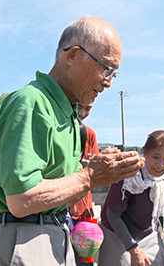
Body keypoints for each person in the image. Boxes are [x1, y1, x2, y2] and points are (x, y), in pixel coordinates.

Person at [0, 16, 145, 266]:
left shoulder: (67, 114)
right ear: (73, 56)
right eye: (106, 68)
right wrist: (89, 176)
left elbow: (61, 196)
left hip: (54, 233)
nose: (109, 82)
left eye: (114, 73)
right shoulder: (31, 102)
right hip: (24, 237)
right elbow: (22, 199)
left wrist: (98, 170)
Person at [98, 130, 164, 266]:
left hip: (147, 232)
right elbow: (113, 216)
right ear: (144, 152)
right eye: (156, 156)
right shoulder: (129, 174)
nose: (160, 165)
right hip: (117, 233)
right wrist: (133, 249)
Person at [69, 102, 99, 266]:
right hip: (62, 209)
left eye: (88, 108)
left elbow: (96, 175)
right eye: (79, 107)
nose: (82, 112)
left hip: (84, 211)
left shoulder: (90, 134)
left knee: (85, 260)